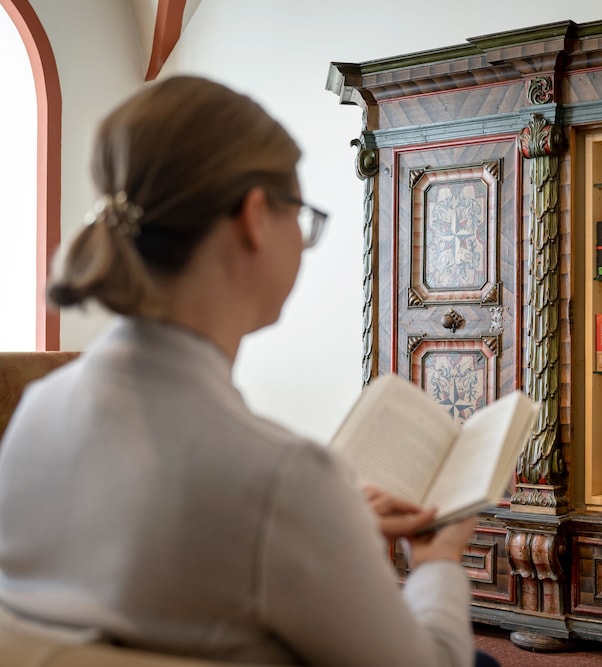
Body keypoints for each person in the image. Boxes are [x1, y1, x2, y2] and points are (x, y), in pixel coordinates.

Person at [0, 75, 494, 666]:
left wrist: (335, 529)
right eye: (302, 216)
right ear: (255, 216)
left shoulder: (37, 410)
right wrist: (437, 563)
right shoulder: (283, 479)